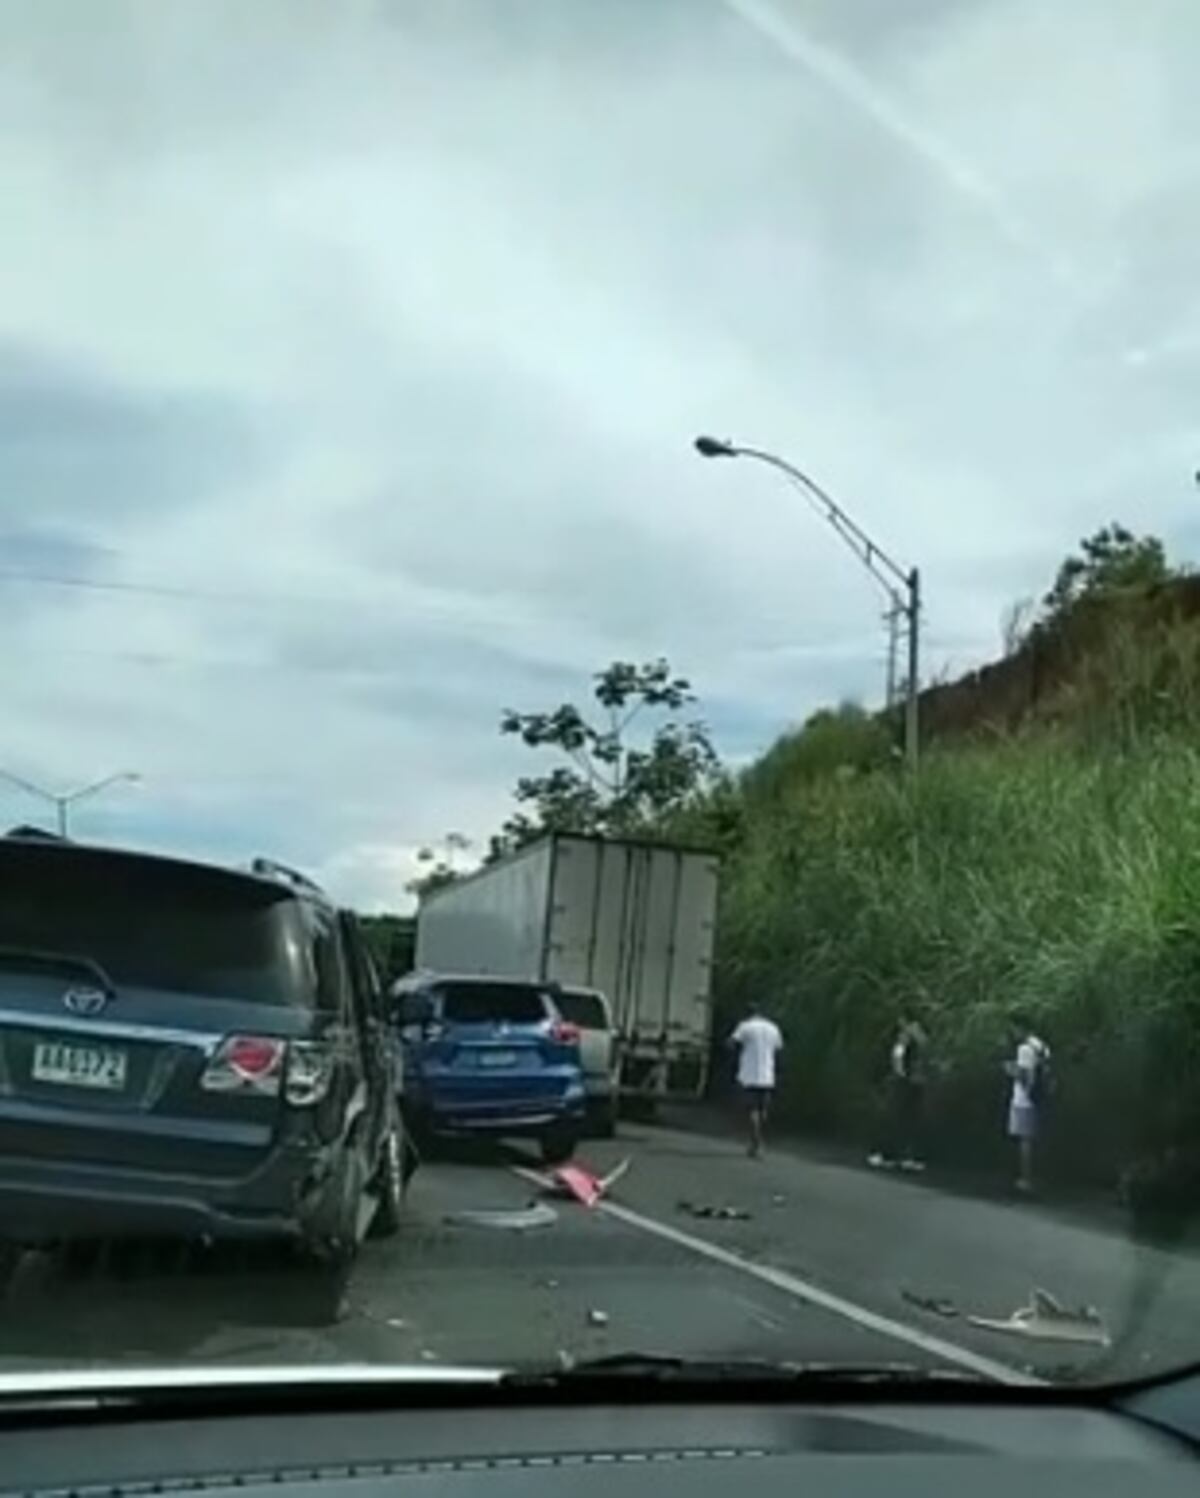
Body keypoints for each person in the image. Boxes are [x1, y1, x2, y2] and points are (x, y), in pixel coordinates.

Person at [868, 1016, 928, 1172]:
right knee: (906, 1119)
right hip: (914, 1081)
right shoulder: (918, 1035)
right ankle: (896, 1155)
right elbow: (898, 1054)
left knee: (901, 1118)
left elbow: (897, 1054)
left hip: (910, 1081)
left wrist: (899, 1072)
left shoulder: (908, 1033)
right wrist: (900, 1072)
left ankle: (894, 1155)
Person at [729, 1004, 784, 1158]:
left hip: (749, 1075)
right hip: (767, 1075)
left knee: (752, 1110)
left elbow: (732, 1043)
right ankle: (759, 1139)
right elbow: (779, 1048)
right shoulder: (773, 1028)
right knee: (762, 1110)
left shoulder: (745, 1026)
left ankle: (756, 1141)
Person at [1006, 1016, 1051, 1193]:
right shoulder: (1041, 1046)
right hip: (1040, 1098)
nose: (1012, 1033)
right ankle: (1035, 1176)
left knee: (1025, 1141)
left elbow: (1026, 1078)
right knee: (1033, 1139)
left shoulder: (1024, 1049)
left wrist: (1011, 1071)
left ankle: (1026, 1179)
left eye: (1014, 1028)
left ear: (1021, 1028)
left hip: (1024, 1100)